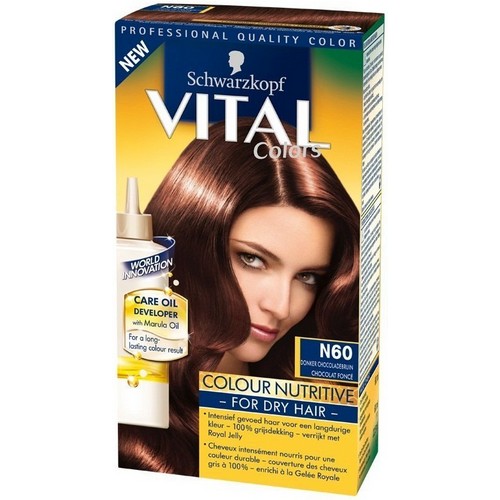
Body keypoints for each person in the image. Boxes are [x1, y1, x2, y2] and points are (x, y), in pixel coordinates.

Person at [118, 118, 360, 476]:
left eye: (307, 277)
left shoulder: (313, 404)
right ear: (191, 242)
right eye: (252, 259)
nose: (281, 307)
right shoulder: (130, 420)